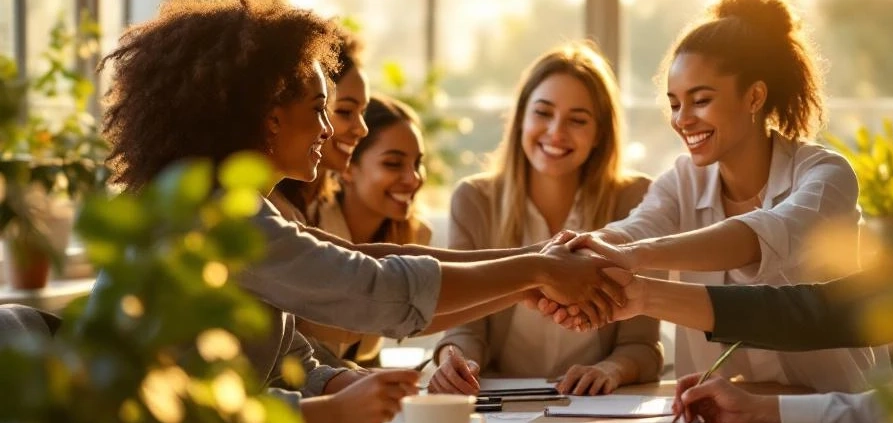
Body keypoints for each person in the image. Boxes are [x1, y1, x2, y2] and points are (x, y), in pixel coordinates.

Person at [96, 1, 625, 421]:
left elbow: (293, 336)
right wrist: (535, 270)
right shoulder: (218, 216)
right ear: (269, 117)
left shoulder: (234, 208)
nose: (329, 129)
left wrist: (533, 263)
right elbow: (371, 289)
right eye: (319, 108)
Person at [551, 0, 886, 394]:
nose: (682, 119)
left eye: (701, 100)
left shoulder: (825, 176)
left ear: (754, 97)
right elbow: (631, 230)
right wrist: (564, 258)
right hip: (721, 409)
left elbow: (760, 235)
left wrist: (637, 255)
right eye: (675, 104)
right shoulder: (682, 180)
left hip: (830, 409)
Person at [429, 42, 663, 397]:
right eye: (543, 112)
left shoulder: (636, 198)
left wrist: (610, 370)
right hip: (502, 402)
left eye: (577, 120)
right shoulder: (475, 200)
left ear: (599, 133)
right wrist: (455, 361)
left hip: (595, 405)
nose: (556, 132)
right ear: (521, 117)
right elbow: (465, 329)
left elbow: (644, 345)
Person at [273, 94, 432, 368]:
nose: (413, 179)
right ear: (349, 168)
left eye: (417, 164)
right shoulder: (306, 227)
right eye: (393, 164)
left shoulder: (415, 234)